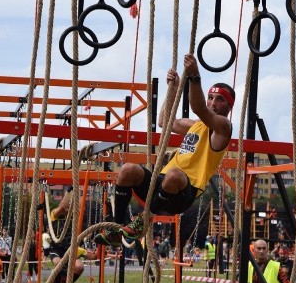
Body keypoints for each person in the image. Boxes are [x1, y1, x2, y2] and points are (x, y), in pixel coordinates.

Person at [97, 54, 233, 246]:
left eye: (219, 100)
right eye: (210, 97)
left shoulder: (223, 128)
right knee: (128, 169)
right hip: (161, 185)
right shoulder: (195, 125)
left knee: (175, 174)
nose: (212, 102)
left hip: (184, 192)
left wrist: (194, 76)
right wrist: (174, 89)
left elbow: (199, 108)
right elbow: (164, 121)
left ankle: (142, 220)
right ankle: (115, 228)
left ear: (229, 106)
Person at [47, 187, 98, 283]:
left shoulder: (73, 217)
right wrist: (69, 191)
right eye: (68, 203)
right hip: (56, 248)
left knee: (79, 267)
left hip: (69, 248)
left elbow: (80, 208)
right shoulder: (54, 214)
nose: (69, 205)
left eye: (70, 204)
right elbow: (63, 207)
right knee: (58, 263)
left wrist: (81, 191)